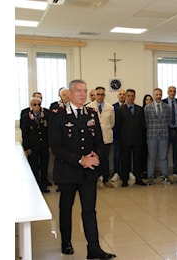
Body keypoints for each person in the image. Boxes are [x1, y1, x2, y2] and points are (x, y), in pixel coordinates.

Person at [48, 79, 116, 259]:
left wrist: (95, 156)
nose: (82, 94)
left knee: (89, 210)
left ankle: (94, 248)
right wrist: (80, 160)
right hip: (68, 171)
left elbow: (100, 142)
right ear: (69, 94)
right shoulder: (58, 115)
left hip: (88, 173)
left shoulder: (91, 114)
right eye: (78, 90)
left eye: (85, 91)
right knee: (66, 208)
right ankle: (66, 242)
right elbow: (55, 146)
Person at [116, 89, 148, 187]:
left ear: (135, 97)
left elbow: (143, 125)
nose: (130, 98)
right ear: (125, 97)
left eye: (132, 96)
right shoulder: (120, 110)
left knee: (137, 160)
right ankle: (125, 180)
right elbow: (118, 125)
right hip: (125, 140)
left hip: (137, 139)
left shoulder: (140, 109)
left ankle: (138, 178)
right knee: (125, 160)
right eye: (128, 96)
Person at [86, 86, 115, 188]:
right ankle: (94, 179)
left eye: (102, 94)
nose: (100, 96)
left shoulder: (110, 107)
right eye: (98, 94)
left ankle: (106, 179)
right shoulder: (89, 107)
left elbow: (112, 123)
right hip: (94, 139)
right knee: (94, 159)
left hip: (106, 137)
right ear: (95, 95)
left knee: (105, 159)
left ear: (104, 95)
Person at [20, 96, 50, 193]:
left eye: (39, 104)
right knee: (34, 166)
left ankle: (44, 185)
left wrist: (50, 145)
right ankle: (35, 186)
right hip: (33, 147)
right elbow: (24, 134)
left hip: (44, 146)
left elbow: (49, 131)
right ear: (31, 106)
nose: (37, 106)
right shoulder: (26, 118)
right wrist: (27, 147)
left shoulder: (46, 115)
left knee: (44, 166)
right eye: (35, 105)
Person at [144, 88, 173, 185]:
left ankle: (165, 176)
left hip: (164, 135)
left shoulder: (167, 107)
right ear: (153, 95)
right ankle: (150, 177)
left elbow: (169, 120)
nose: (158, 96)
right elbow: (146, 122)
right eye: (156, 94)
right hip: (152, 135)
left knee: (164, 157)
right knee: (151, 157)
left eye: (160, 94)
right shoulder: (147, 108)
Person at [162, 86, 177, 177]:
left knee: (176, 151)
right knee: (164, 151)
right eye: (170, 91)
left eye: (174, 91)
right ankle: (164, 171)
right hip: (167, 130)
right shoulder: (163, 102)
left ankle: (176, 170)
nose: (172, 93)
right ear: (167, 92)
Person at [111, 88, 126, 182]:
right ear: (118, 96)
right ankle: (116, 172)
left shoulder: (129, 107)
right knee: (117, 155)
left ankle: (126, 172)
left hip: (128, 136)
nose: (122, 96)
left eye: (124, 94)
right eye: (120, 94)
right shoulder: (113, 107)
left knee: (127, 155)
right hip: (117, 136)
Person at [141, 94, 153, 177]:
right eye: (147, 100)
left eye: (150, 100)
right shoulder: (141, 110)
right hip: (143, 135)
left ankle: (151, 171)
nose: (148, 101)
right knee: (144, 153)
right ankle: (144, 170)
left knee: (151, 154)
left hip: (152, 135)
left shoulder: (155, 111)